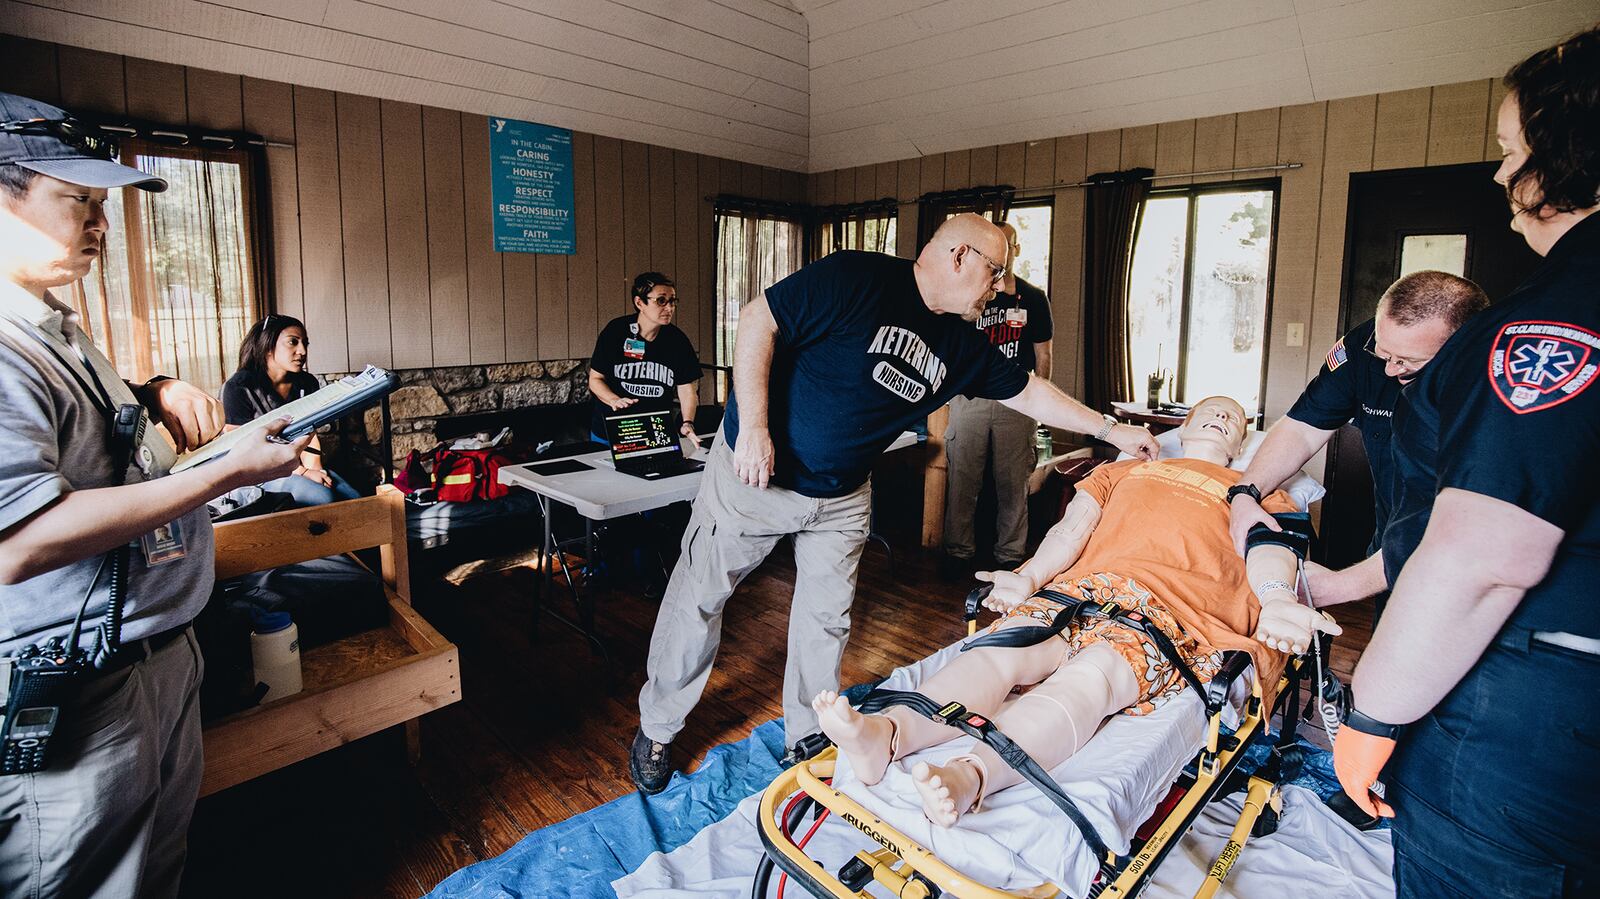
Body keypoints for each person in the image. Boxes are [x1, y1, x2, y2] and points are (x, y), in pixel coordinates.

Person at [630, 213, 1159, 794]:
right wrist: (753, 427)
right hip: (755, 475)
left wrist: (1110, 429)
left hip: (842, 495)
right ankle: (658, 727)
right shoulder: (859, 276)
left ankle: (807, 729)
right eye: (995, 270)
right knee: (699, 599)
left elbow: (1031, 391)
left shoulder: (962, 344)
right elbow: (759, 319)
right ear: (960, 258)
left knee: (825, 617)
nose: (1000, 286)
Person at [0, 92, 308, 898]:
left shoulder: (54, 325)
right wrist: (226, 472)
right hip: (80, 689)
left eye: (105, 206)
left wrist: (157, 387)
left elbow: (92, 439)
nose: (101, 226)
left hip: (160, 659)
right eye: (80, 202)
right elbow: (20, 539)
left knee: (155, 873)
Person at [1332, 27, 1600, 898]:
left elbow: (1484, 555)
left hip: (1534, 714)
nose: (1499, 177)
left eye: (1510, 151)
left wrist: (1373, 710)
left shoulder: (1550, 322)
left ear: (1570, 154)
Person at [812, 396, 1336, 825]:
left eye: (1234, 416)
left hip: (1173, 617)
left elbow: (1272, 548)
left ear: (1242, 442)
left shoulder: (1262, 493)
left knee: (1094, 676)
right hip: (1078, 594)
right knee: (1001, 652)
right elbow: (1070, 530)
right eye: (1212, 409)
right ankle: (887, 734)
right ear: (1185, 423)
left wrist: (1277, 599)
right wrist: (1027, 578)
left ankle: (970, 776)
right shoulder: (1125, 469)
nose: (1223, 415)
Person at [1226, 271, 1486, 611]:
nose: (1390, 370)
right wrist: (1246, 493)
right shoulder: (1363, 347)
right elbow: (1303, 428)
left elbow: (1464, 517)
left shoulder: (1489, 384)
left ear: (1461, 349)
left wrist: (1343, 585)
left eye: (1408, 362)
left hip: (1470, 567)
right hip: (1390, 544)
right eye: (1384, 352)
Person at [941, 221, 1053, 578]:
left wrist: (1038, 402)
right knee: (962, 480)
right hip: (970, 399)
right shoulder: (968, 296)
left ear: (1015, 250)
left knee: (1013, 483)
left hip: (1017, 401)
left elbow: (1044, 355)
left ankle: (1011, 556)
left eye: (1009, 244)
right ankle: (957, 554)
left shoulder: (1033, 298)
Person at [221, 313, 359, 506]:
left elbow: (309, 435)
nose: (302, 350)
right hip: (258, 472)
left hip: (297, 466)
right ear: (268, 346)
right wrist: (302, 472)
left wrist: (316, 470)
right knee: (323, 498)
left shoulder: (307, 383)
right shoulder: (239, 387)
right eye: (293, 342)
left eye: (305, 343)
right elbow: (240, 450)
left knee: (356, 501)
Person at [587, 271, 702, 443]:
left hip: (654, 432)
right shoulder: (615, 332)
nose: (669, 308)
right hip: (612, 432)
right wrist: (614, 400)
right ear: (639, 302)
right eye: (661, 301)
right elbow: (595, 379)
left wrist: (687, 423)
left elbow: (687, 388)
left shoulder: (677, 340)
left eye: (672, 301)